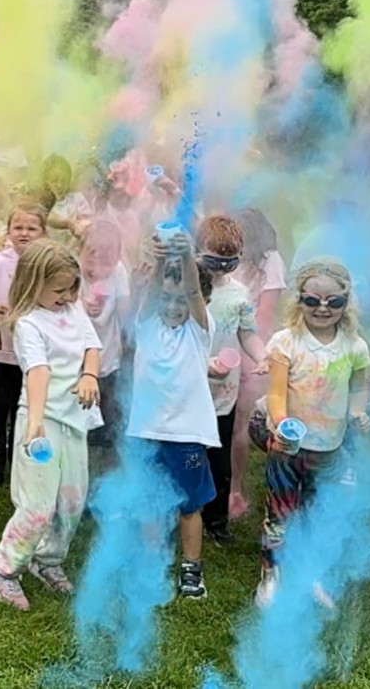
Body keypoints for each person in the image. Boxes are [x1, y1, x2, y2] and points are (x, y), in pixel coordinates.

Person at [0, 240, 102, 611]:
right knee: (37, 506)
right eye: (59, 290)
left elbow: (91, 346)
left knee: (71, 503)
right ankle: (2, 567)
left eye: (72, 288)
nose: (67, 296)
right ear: (34, 284)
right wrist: (33, 425)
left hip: (74, 421)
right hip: (41, 424)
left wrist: (90, 376)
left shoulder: (74, 309)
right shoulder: (27, 323)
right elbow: (38, 372)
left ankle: (45, 560)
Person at [253, 256, 370, 606]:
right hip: (287, 448)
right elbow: (276, 391)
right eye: (312, 300)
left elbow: (358, 388)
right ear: (299, 300)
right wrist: (279, 422)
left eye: (333, 301)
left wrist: (358, 412)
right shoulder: (285, 342)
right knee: (280, 514)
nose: (323, 308)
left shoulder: (355, 347)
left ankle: (311, 575)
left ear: (346, 303)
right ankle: (271, 575)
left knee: (318, 514)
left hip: (329, 449)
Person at [126, 229, 218, 599]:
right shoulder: (146, 327)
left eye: (180, 300)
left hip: (188, 436)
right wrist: (164, 257)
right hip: (147, 432)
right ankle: (152, 562)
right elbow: (150, 294)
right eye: (168, 297)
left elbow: (193, 292)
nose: (173, 305)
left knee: (188, 505)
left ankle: (190, 569)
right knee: (150, 500)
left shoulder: (199, 333)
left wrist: (186, 259)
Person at [196, 215, 268, 545]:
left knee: (219, 458)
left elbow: (248, 333)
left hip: (224, 393)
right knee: (187, 453)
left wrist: (263, 356)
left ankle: (216, 520)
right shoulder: (189, 288)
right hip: (190, 387)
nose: (221, 269)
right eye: (214, 260)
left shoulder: (239, 294)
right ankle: (181, 514)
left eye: (229, 261)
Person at [0, 201, 49, 485]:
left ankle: (21, 464)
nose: (24, 233)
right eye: (18, 227)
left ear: (43, 233)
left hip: (31, 358)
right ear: (8, 231)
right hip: (1, 353)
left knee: (25, 412)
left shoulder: (45, 264)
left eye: (32, 228)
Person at [229, 208, 286, 520]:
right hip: (224, 342)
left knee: (241, 421)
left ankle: (235, 488)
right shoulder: (229, 256)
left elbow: (263, 317)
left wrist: (250, 361)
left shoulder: (271, 261)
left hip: (252, 348)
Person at [78, 218, 131, 471]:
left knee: (110, 422)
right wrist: (80, 307)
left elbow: (124, 314)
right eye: (91, 258)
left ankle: (108, 477)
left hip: (109, 362)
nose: (97, 267)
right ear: (80, 251)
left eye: (106, 261)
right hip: (76, 366)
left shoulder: (119, 272)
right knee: (79, 422)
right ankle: (77, 473)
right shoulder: (72, 273)